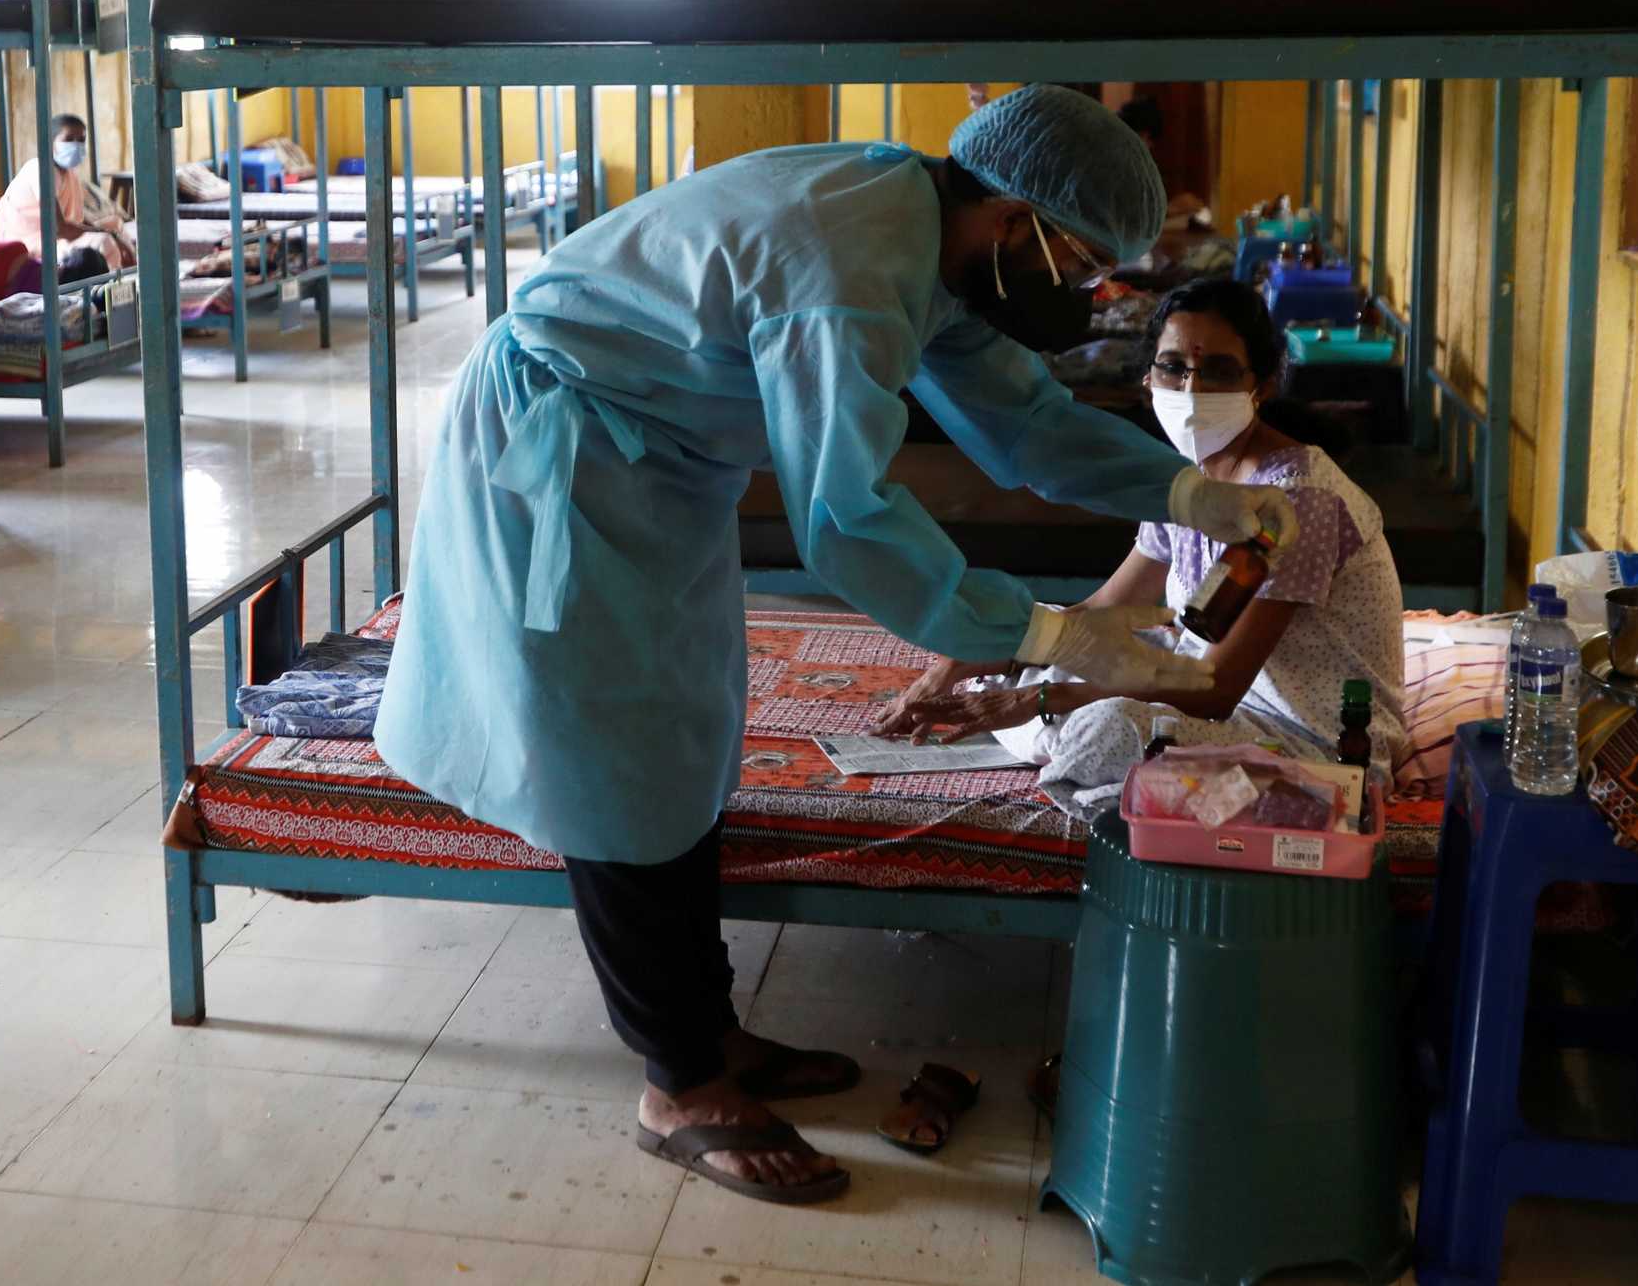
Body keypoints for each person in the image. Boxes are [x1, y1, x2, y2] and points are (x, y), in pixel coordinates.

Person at [373, 86, 1301, 1205]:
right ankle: (678, 1085)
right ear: (1016, 222)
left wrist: (1193, 495)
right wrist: (1040, 632)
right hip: (566, 452)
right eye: (1080, 264)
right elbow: (846, 518)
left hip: (655, 459)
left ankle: (707, 1028)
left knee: (685, 735)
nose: (1084, 293)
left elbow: (1023, 421)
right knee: (617, 766)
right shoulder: (852, 275)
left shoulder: (922, 225)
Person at [870, 276, 1407, 793]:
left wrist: (1042, 700)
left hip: (1309, 743)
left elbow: (1216, 691)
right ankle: (1037, 721)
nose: (1192, 389)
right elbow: (1105, 608)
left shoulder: (1297, 502)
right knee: (1059, 659)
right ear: (1148, 377)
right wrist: (989, 652)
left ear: (1261, 386)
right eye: (1174, 367)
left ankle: (1046, 735)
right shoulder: (1185, 481)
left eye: (1219, 371)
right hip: (1215, 699)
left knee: (1104, 727)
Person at [0, 113, 135, 271]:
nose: (76, 145)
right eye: (68, 139)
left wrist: (112, 231)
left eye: (81, 140)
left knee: (115, 222)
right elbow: (59, 229)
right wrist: (109, 234)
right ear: (51, 144)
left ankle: (129, 270)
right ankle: (110, 289)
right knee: (104, 241)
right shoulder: (40, 170)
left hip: (58, 236)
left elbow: (77, 222)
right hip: (31, 242)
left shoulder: (69, 175)